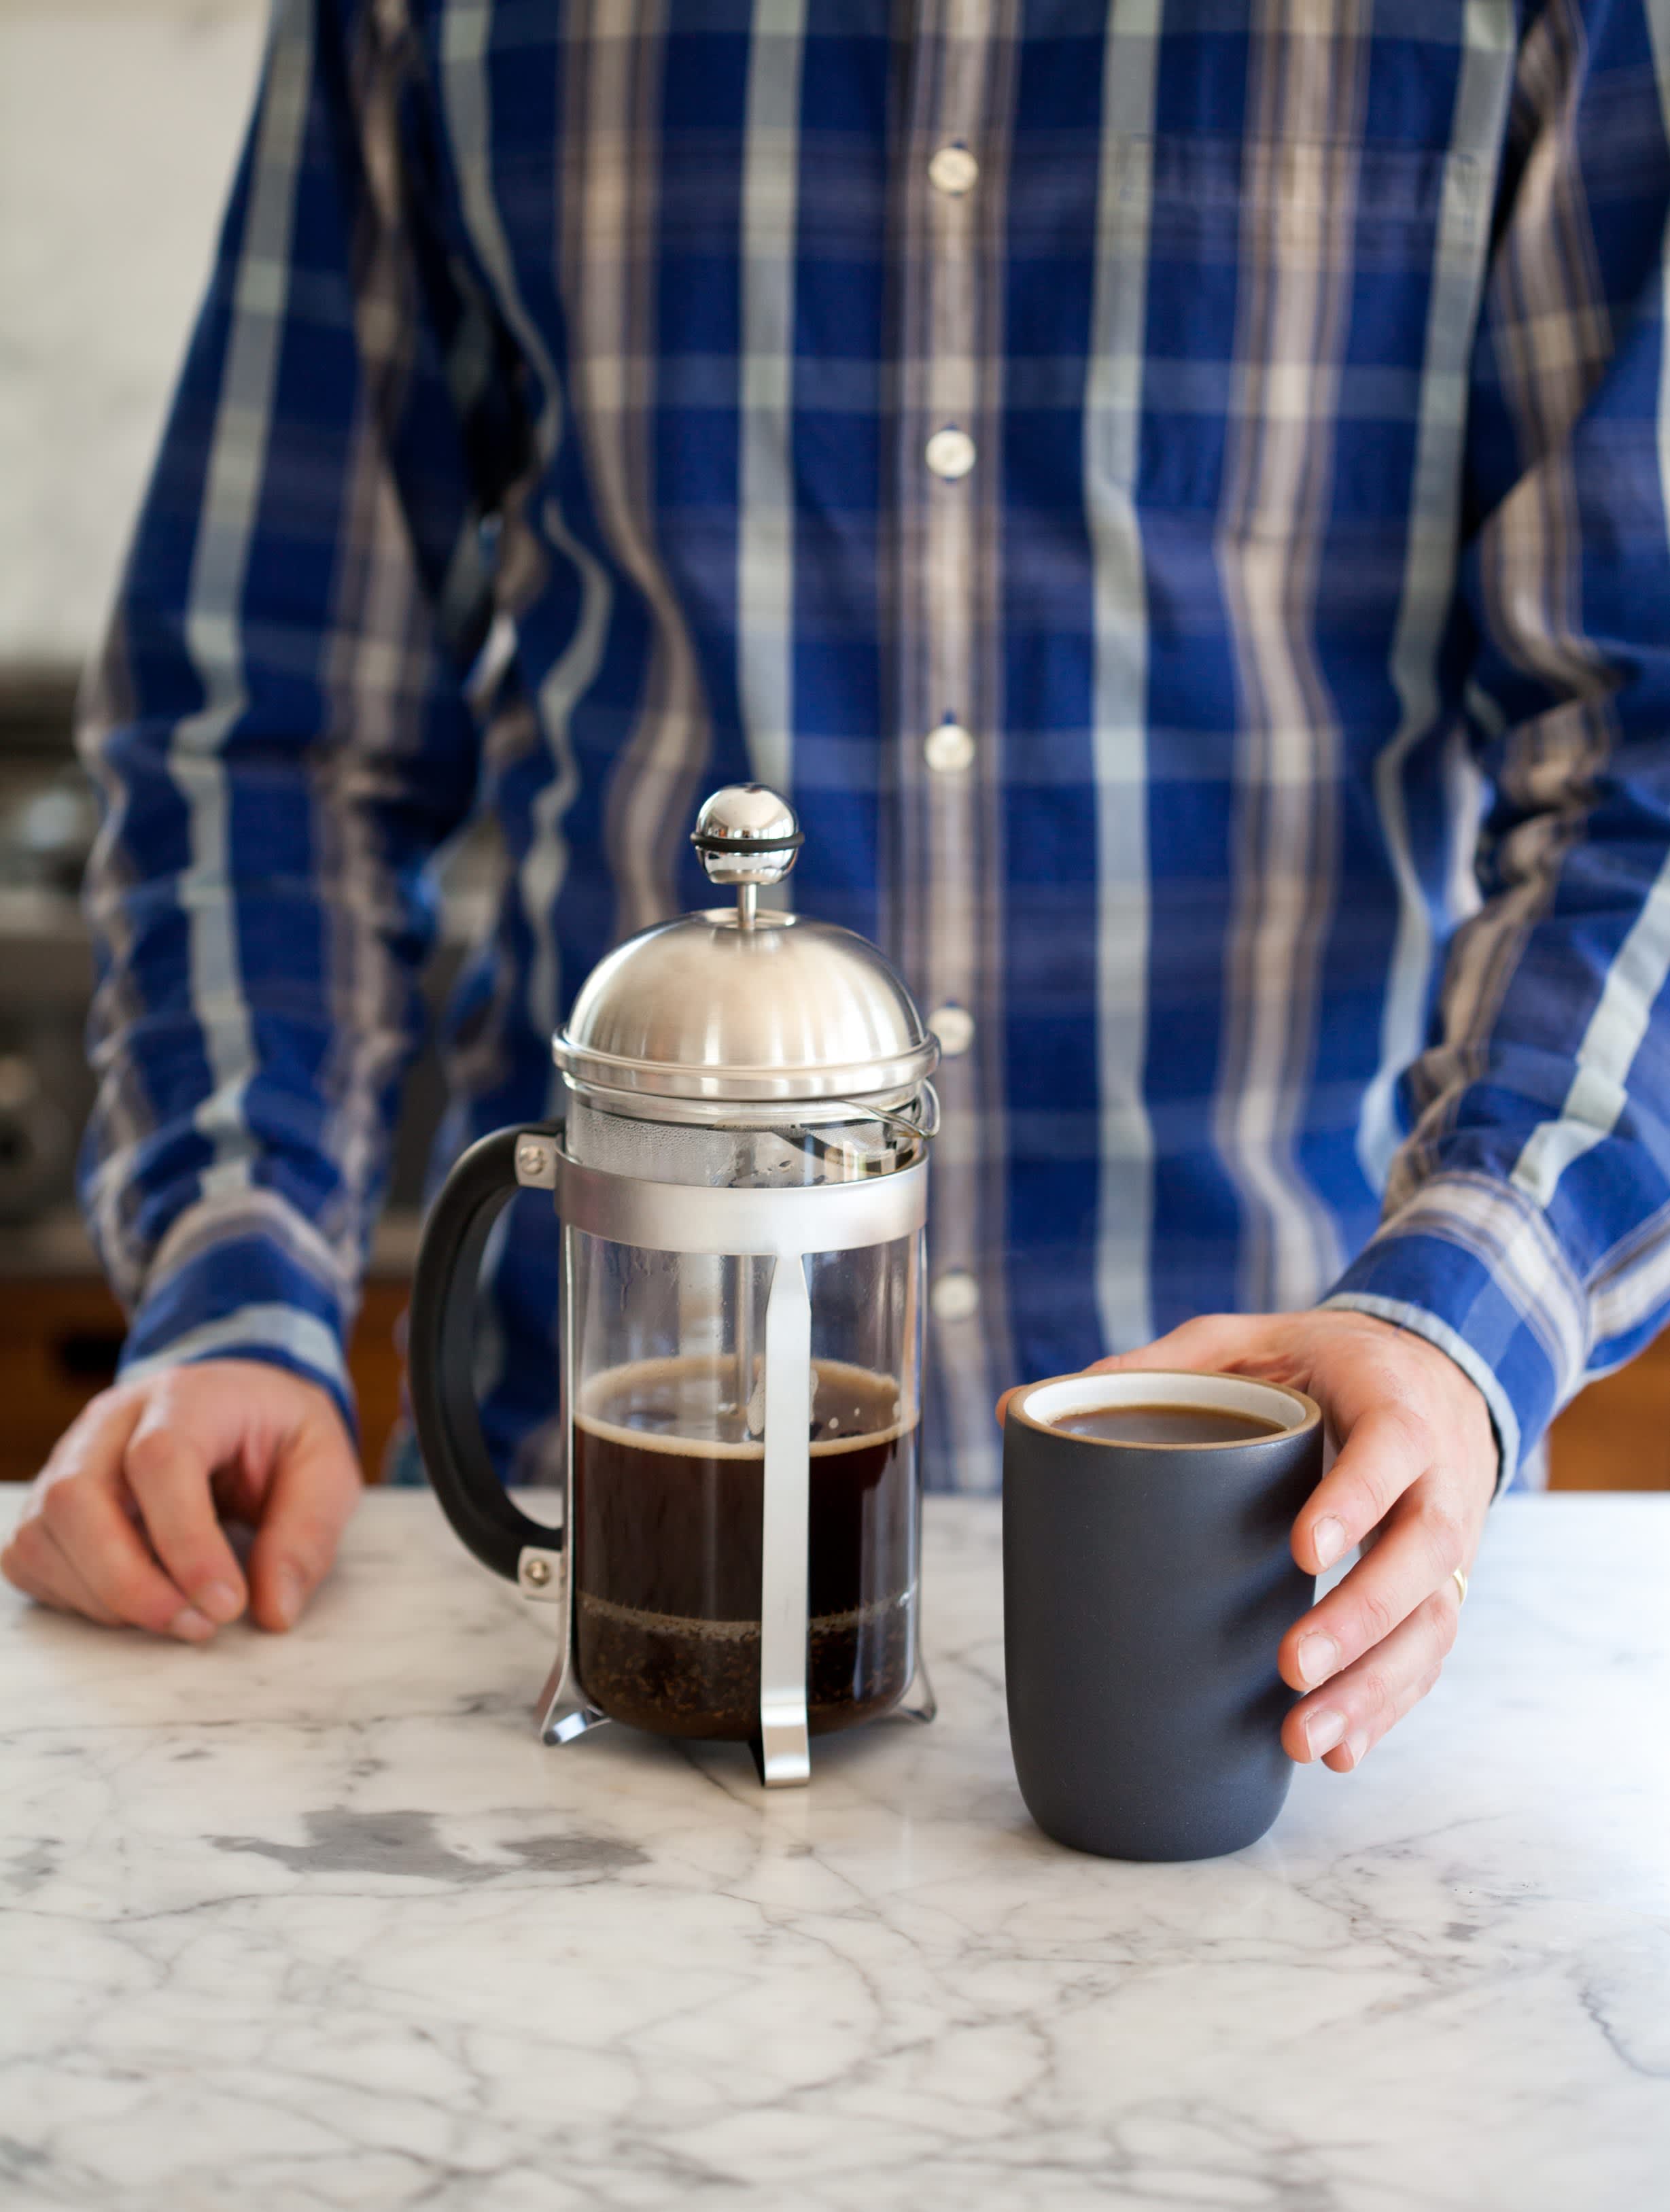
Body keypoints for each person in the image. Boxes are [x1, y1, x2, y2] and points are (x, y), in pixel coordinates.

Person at [7, 3, 1668, 1782]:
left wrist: (1459, 1307)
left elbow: (1644, 748)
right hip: (570, 1563)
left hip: (1270, 1566)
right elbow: (270, 721)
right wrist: (241, 1295)